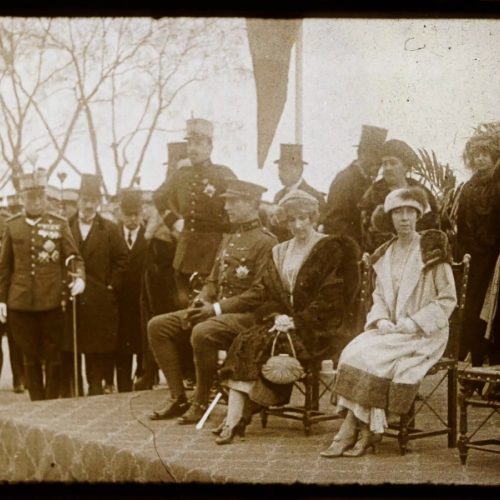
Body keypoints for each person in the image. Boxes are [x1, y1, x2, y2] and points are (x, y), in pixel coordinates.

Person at [214, 189, 360, 444]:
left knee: (263, 346)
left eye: (304, 218)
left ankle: (237, 419)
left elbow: (333, 297)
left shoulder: (331, 247)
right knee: (246, 339)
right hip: (282, 323)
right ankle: (233, 419)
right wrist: (277, 317)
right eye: (291, 220)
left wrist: (298, 321)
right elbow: (269, 293)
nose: (298, 225)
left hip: (321, 327)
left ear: (314, 217)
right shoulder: (280, 250)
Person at [321, 187, 456, 458]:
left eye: (410, 212)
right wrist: (381, 320)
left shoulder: (431, 250)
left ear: (418, 216)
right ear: (389, 217)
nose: (404, 218)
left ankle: (350, 430)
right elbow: (379, 296)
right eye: (397, 212)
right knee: (351, 352)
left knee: (371, 358)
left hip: (423, 332)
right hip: (391, 329)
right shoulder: (384, 253)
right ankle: (367, 430)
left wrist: (414, 323)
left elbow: (447, 299)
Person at [147, 179, 277, 425]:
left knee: (203, 331)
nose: (226, 206)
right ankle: (178, 398)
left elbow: (259, 293)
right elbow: (213, 279)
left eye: (233, 201)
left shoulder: (267, 242)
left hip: (248, 318)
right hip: (215, 312)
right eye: (226, 200)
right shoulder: (228, 238)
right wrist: (202, 298)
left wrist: (216, 309)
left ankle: (201, 401)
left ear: (251, 204)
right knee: (157, 326)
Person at [0, 169, 85, 401]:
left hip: (51, 300)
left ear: (45, 198)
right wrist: (1, 298)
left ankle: (51, 400)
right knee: (29, 354)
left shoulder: (59, 224)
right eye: (31, 197)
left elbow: (72, 256)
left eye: (40, 197)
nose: (36, 202)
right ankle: (36, 402)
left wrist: (78, 276)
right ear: (22, 199)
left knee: (53, 353)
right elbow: (5, 265)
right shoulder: (12, 225)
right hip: (21, 302)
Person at [153, 119, 237, 310]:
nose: (192, 148)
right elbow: (159, 197)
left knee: (206, 305)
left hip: (212, 249)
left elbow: (236, 206)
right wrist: (173, 221)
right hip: (185, 250)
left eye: (198, 143)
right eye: (189, 143)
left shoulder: (222, 175)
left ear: (210, 147)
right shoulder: (181, 175)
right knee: (182, 305)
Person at [60, 174, 128, 397]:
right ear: (78, 199)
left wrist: (111, 287)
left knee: (96, 350)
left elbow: (121, 260)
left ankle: (95, 391)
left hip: (99, 300)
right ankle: (72, 392)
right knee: (70, 348)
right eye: (85, 199)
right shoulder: (64, 226)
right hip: (70, 298)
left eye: (93, 200)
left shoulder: (110, 228)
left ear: (98, 202)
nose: (89, 205)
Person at [456, 122, 500, 368]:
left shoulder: (498, 186)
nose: (481, 158)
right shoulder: (468, 188)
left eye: (486, 153)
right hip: (474, 259)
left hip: (496, 259)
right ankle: (476, 363)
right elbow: (462, 227)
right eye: (477, 154)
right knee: (473, 309)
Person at [358, 139, 440, 254]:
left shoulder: (423, 193)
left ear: (405, 167)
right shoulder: (373, 195)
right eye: (384, 163)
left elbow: (435, 228)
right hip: (384, 257)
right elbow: (367, 235)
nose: (387, 168)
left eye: (393, 163)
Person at [134, 204, 178, 391]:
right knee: (152, 325)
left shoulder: (172, 218)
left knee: (161, 326)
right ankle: (150, 372)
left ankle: (161, 373)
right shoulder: (162, 216)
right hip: (155, 278)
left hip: (170, 280)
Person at [323, 125, 388, 245]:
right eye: (375, 156)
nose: (379, 163)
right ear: (361, 154)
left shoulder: (365, 178)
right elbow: (334, 222)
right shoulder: (345, 179)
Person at [115, 188, 148, 392]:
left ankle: (144, 383)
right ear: (120, 212)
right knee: (121, 347)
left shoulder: (149, 236)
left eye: (136, 213)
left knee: (143, 346)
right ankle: (122, 387)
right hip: (119, 302)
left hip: (142, 301)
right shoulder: (112, 234)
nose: (132, 218)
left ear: (142, 212)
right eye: (128, 214)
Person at [270, 144, 326, 242]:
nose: (279, 174)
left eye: (284, 169)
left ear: (299, 170)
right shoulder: (278, 196)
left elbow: (319, 230)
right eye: (279, 169)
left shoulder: (314, 196)